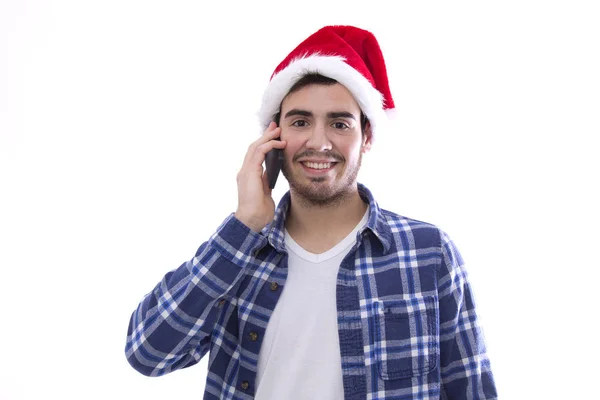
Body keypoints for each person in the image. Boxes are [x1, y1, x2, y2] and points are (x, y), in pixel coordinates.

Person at [125, 25, 498, 399]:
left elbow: (472, 390)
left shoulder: (428, 253)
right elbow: (148, 353)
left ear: (366, 137)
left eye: (339, 123)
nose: (319, 143)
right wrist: (244, 225)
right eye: (301, 122)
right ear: (273, 137)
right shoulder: (237, 254)